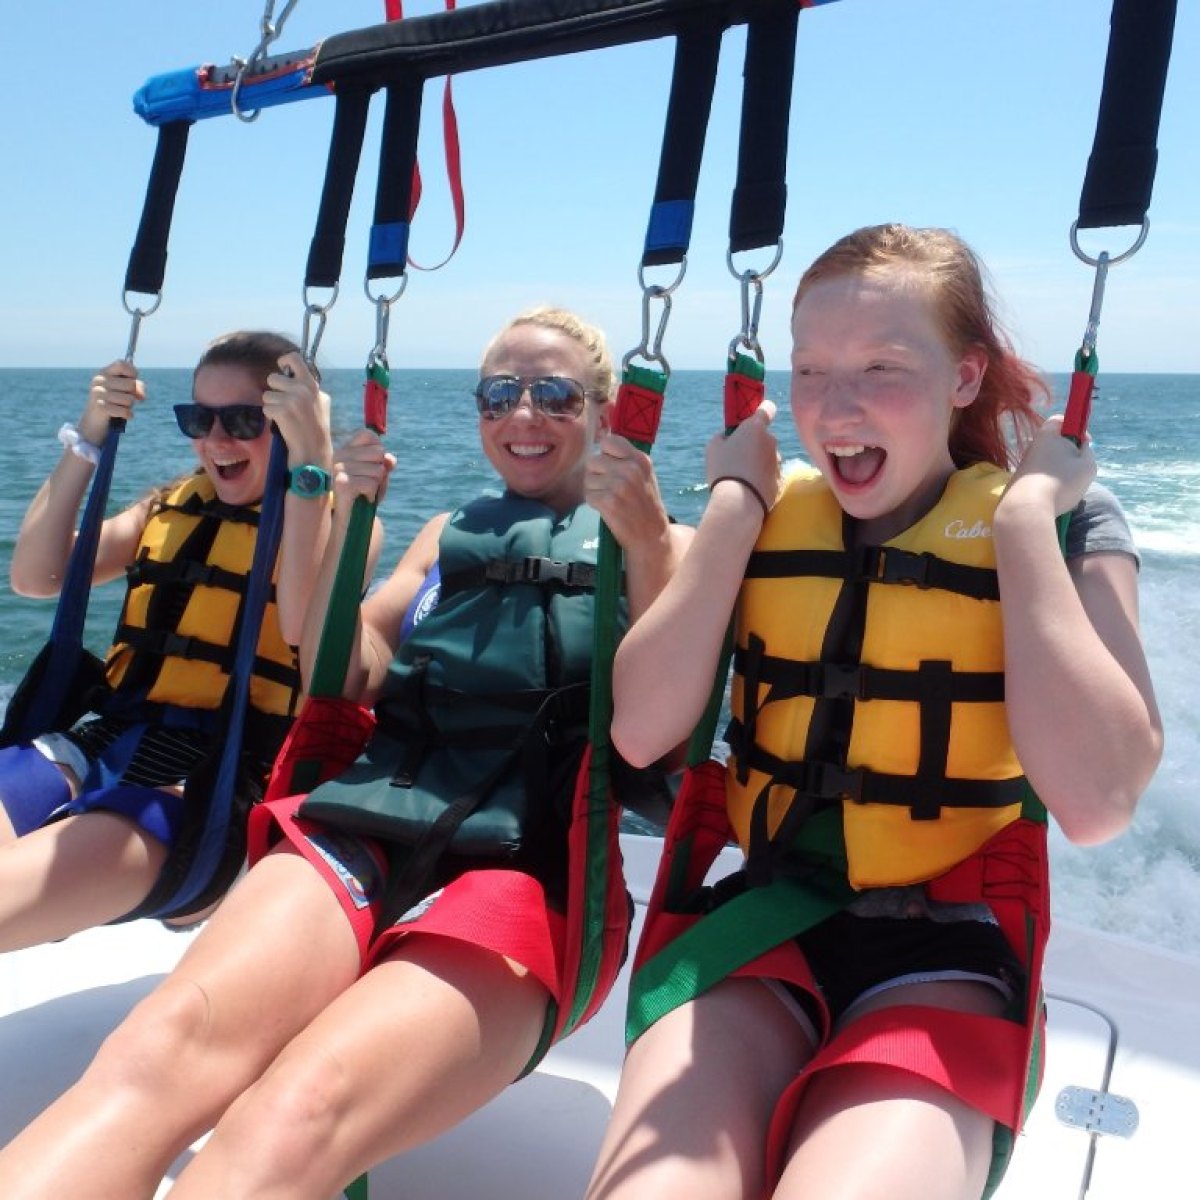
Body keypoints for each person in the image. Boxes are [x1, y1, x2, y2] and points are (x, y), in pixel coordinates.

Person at [0, 305, 691, 1199]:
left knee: (294, 1111)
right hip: (369, 820)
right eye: (499, 394)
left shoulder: (667, 542)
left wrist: (645, 540)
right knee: (155, 1049)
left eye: (554, 394)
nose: (523, 416)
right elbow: (345, 666)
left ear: (605, 410)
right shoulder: (446, 535)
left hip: (528, 868)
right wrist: (343, 506)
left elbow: (660, 736)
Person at [585, 225, 1163, 1200]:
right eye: (810, 371)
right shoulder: (763, 514)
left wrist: (1024, 525)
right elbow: (642, 733)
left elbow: (1100, 802)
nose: (834, 408)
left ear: (966, 378)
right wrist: (732, 506)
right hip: (763, 924)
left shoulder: (1067, 526)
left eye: (880, 367)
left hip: (946, 950)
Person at [0, 331, 334, 944]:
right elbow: (35, 577)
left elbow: (300, 623)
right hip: (101, 743)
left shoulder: (340, 525)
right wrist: (88, 438)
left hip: (212, 787)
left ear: (291, 419)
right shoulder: (166, 508)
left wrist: (312, 458)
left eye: (242, 419)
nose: (216, 439)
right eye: (198, 418)